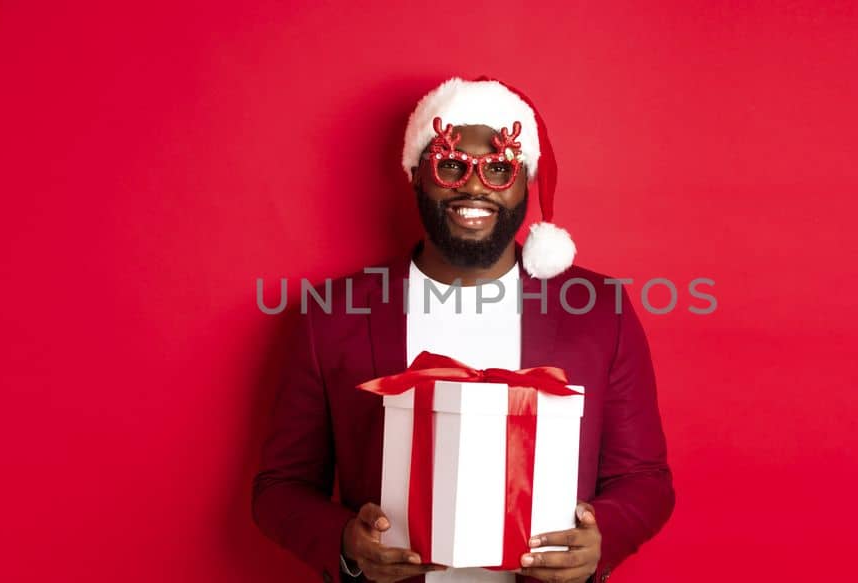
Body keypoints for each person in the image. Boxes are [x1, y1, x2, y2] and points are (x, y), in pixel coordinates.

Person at [252, 77, 673, 583]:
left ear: (526, 183)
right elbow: (280, 487)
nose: (474, 186)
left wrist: (599, 540)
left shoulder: (599, 311)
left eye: (499, 168)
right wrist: (347, 542)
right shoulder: (333, 313)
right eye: (450, 165)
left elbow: (644, 479)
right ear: (415, 175)